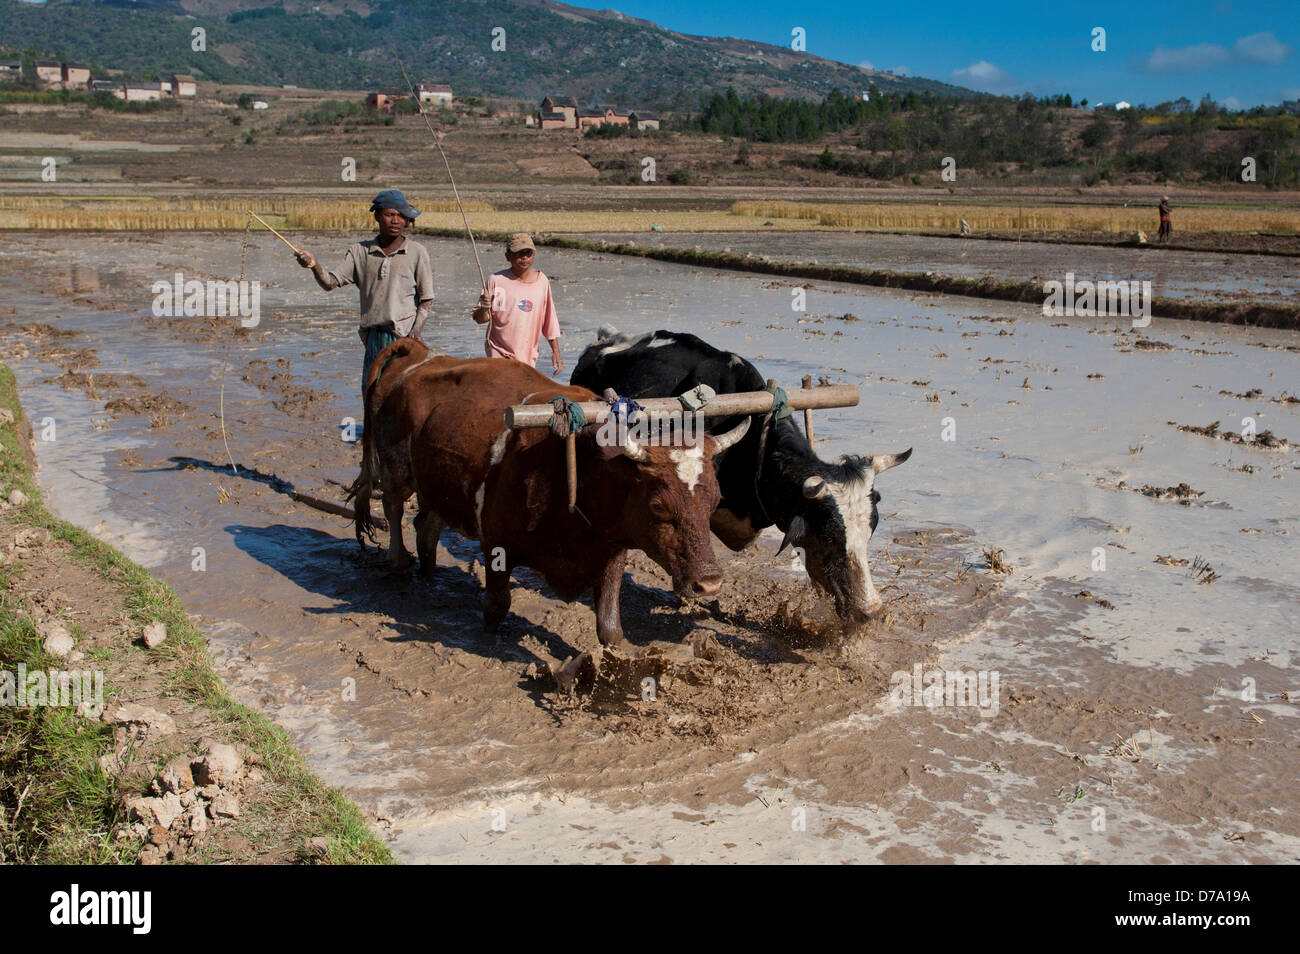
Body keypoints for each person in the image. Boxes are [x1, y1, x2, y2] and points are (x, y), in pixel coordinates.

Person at [295, 189, 434, 390]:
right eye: (389, 214)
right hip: (374, 337)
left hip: (403, 337)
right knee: (372, 395)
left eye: (401, 215)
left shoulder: (416, 252)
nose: (396, 220)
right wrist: (314, 265)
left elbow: (426, 300)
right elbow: (330, 283)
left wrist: (415, 333)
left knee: (401, 397)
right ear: (377, 216)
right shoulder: (360, 252)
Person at [472, 233, 562, 376]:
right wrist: (484, 307)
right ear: (508, 256)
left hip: (527, 357)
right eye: (519, 254)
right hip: (499, 354)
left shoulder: (542, 282)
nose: (524, 258)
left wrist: (556, 352)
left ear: (533, 255)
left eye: (528, 253)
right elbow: (479, 319)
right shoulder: (496, 281)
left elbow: (549, 321)